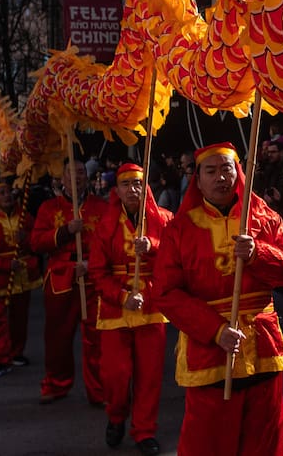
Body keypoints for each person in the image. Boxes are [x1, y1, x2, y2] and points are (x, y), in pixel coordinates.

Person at [153, 142, 283, 456]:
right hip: (209, 351)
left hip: (263, 345)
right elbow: (166, 293)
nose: (221, 177)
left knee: (265, 443)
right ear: (198, 178)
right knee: (208, 443)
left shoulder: (263, 218)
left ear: (239, 172)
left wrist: (258, 255)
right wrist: (215, 329)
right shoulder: (179, 229)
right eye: (211, 170)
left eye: (227, 168)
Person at [88, 164, 172, 454]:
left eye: (137, 183)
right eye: (126, 184)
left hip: (151, 305)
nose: (132, 190)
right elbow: (98, 273)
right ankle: (116, 415)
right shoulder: (104, 224)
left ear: (145, 186)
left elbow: (176, 260)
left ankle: (144, 430)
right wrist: (121, 296)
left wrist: (153, 246)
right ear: (117, 190)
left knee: (149, 376)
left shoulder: (163, 220)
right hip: (115, 309)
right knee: (116, 375)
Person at [30, 160, 110, 405]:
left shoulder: (101, 206)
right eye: (70, 172)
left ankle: (99, 391)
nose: (76, 176)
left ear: (87, 176)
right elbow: (36, 243)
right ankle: (56, 383)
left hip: (92, 276)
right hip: (61, 278)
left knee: (97, 338)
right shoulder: (48, 207)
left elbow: (110, 241)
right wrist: (65, 231)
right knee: (57, 337)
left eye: (80, 172)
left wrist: (92, 263)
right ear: (61, 177)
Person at [0, 181, 41, 376]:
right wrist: (5, 265)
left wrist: (26, 238)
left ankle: (16, 352)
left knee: (20, 318)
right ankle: (1, 357)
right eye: (1, 193)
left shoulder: (24, 217)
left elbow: (37, 241)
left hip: (22, 275)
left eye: (7, 192)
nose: (7, 196)